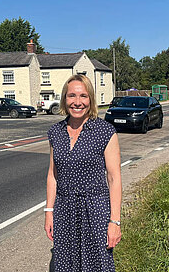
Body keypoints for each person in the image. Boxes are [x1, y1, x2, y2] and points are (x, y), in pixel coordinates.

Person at [44, 75, 122, 271]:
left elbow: (114, 179)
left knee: (97, 264)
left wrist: (115, 221)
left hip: (96, 210)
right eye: (72, 96)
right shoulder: (56, 132)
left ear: (91, 100)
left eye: (83, 96)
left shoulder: (105, 131)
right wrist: (49, 212)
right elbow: (53, 175)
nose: (77, 102)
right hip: (64, 209)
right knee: (65, 264)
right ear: (64, 99)